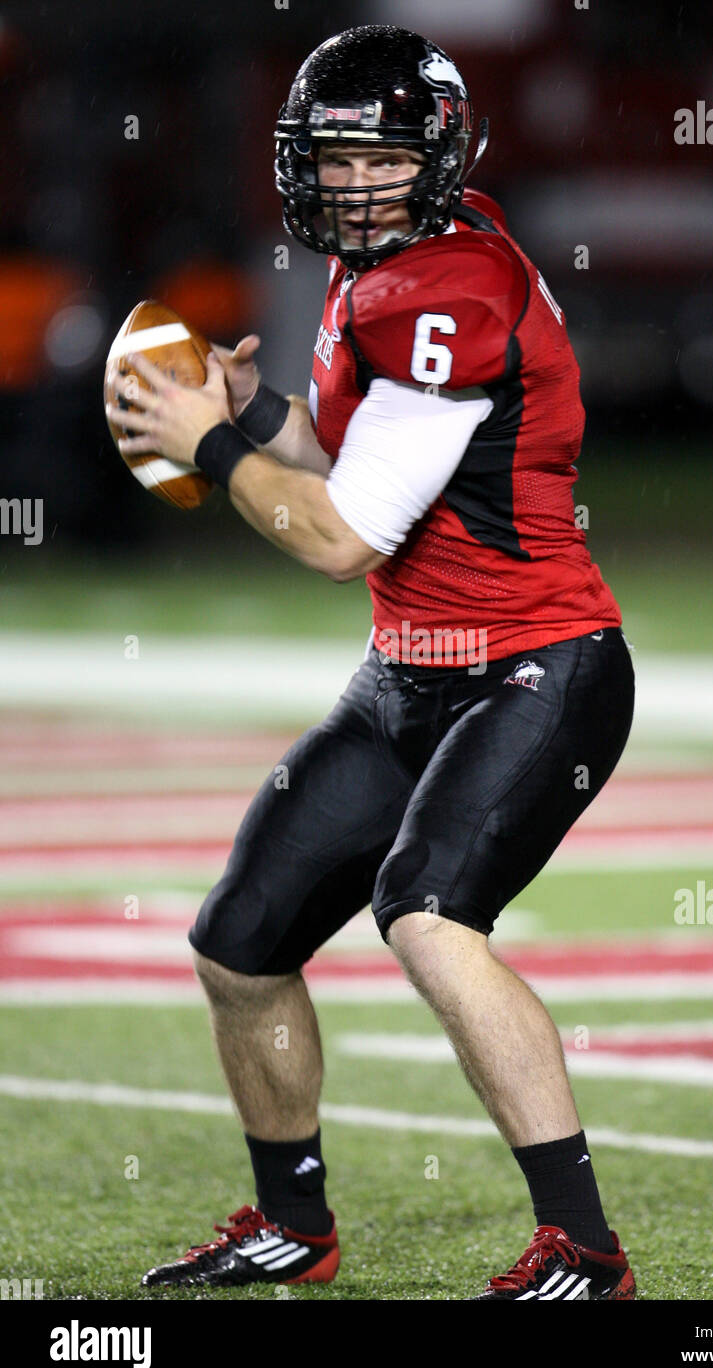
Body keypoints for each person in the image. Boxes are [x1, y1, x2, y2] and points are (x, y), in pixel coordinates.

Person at [109, 24, 636, 1301]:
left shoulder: (446, 290)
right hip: (410, 672)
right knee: (240, 941)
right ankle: (293, 1225)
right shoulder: (395, 267)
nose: (351, 184)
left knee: (430, 918)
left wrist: (210, 445)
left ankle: (583, 1248)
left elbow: (342, 536)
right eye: (332, 158)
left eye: (379, 159)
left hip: (534, 664)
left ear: (437, 157)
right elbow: (359, 444)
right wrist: (248, 412)